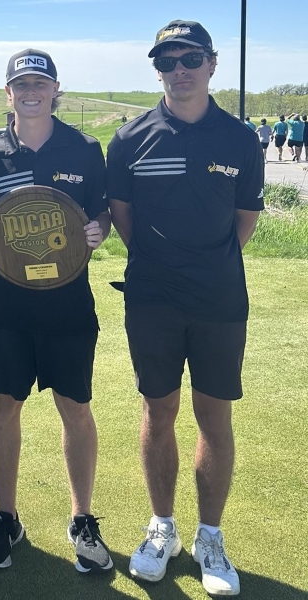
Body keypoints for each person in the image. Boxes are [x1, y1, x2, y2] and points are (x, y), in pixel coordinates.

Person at [107, 21, 263, 597]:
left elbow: (243, 221)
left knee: (214, 420)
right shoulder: (130, 138)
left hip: (220, 299)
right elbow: (122, 215)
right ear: (157, 69)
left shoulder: (242, 139)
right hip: (151, 298)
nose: (179, 69)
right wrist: (163, 266)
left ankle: (210, 537)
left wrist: (206, 264)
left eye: (190, 57)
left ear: (212, 63)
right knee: (158, 411)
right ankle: (163, 527)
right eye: (167, 61)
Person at [0, 49, 113, 573]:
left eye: (40, 82)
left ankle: (82, 518)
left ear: (56, 89)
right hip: (7, 307)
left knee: (75, 407)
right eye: (20, 83)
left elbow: (100, 209)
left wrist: (101, 227)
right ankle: (6, 517)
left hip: (70, 305)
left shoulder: (84, 149)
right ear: (8, 93)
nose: (30, 91)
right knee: (4, 406)